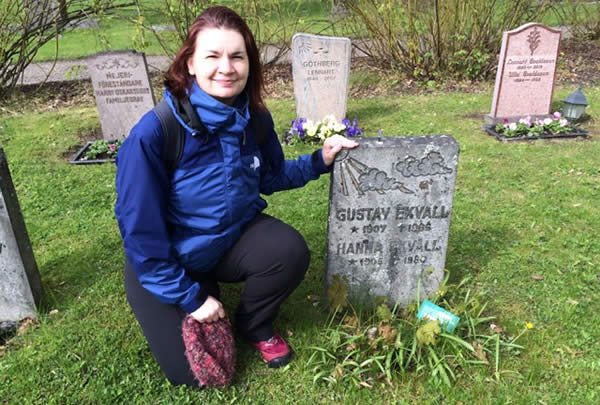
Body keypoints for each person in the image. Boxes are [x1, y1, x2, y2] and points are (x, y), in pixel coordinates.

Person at [114, 5, 358, 387]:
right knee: (196, 376)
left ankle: (253, 323)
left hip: (229, 240)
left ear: (249, 64)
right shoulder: (154, 134)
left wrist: (319, 160)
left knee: (288, 250)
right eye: (212, 55)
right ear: (190, 63)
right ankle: (201, 294)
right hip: (169, 259)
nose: (226, 67)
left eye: (237, 56)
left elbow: (273, 175)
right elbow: (141, 236)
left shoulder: (254, 119)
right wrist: (191, 298)